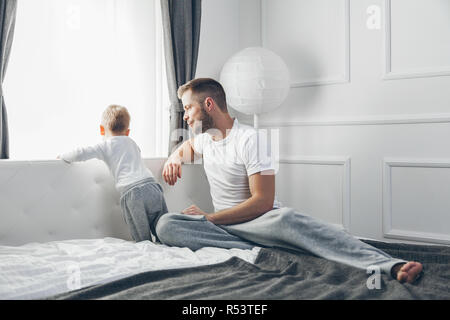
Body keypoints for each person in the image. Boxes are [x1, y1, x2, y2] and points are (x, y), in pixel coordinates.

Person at [156, 78, 423, 284]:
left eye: (189, 108)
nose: (186, 116)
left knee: (290, 221)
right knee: (166, 225)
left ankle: (393, 265)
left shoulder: (252, 139)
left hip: (260, 222)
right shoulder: (204, 140)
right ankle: (275, 247)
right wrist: (174, 158)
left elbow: (263, 202)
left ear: (209, 105)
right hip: (228, 229)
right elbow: (186, 148)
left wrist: (208, 219)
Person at [58, 104, 167, 243]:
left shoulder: (105, 145)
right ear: (128, 132)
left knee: (142, 238)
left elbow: (80, 153)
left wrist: (63, 156)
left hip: (133, 192)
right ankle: (169, 247)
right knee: (163, 227)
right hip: (152, 186)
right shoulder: (132, 143)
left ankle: (149, 254)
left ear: (101, 129)